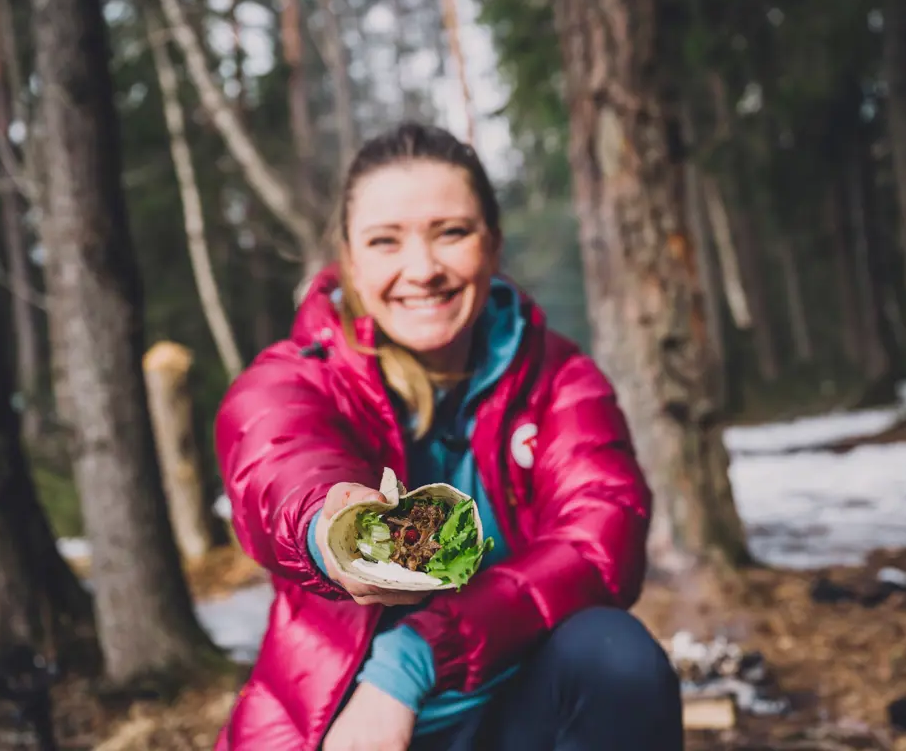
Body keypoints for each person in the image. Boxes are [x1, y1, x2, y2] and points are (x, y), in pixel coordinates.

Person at [213, 122, 683, 751]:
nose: (422, 269)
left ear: (492, 244)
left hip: (517, 709)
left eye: (451, 233)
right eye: (386, 241)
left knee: (615, 657)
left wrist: (413, 659)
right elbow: (282, 468)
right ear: (349, 261)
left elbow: (601, 539)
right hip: (343, 724)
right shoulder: (291, 381)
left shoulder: (558, 377)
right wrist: (333, 534)